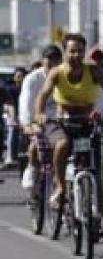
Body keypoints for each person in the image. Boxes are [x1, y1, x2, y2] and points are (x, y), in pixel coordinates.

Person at [33, 34, 103, 208]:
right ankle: (60, 187)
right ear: (65, 52)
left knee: (97, 157)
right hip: (60, 121)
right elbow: (42, 95)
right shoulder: (57, 72)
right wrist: (39, 114)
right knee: (62, 145)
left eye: (80, 51)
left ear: (85, 53)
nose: (76, 55)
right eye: (72, 51)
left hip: (86, 122)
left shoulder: (93, 70)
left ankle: (95, 212)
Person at [19, 46, 63, 195]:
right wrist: (27, 124)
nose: (52, 64)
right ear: (43, 61)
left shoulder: (64, 75)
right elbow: (25, 103)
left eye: (56, 60)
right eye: (48, 60)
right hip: (36, 118)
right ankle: (32, 166)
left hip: (59, 120)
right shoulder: (32, 79)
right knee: (35, 145)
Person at [2, 66, 25, 168]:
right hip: (12, 115)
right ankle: (9, 157)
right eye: (18, 76)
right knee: (12, 129)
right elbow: (9, 105)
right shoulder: (10, 89)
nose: (20, 78)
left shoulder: (28, 87)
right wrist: (13, 118)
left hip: (25, 115)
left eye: (22, 76)